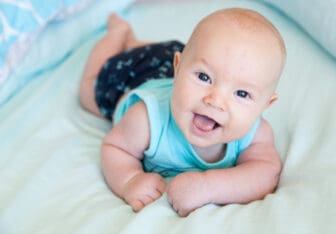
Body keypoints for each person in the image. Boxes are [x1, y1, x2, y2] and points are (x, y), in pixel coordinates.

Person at [79, 8, 286, 217]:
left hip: (182, 60)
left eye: (242, 93)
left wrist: (209, 186)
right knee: (88, 93)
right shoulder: (146, 119)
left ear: (265, 105)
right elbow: (116, 148)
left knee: (198, 59)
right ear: (178, 68)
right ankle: (119, 33)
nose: (215, 101)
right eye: (204, 78)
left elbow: (265, 173)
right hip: (134, 74)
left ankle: (141, 45)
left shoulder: (255, 135)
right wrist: (129, 180)